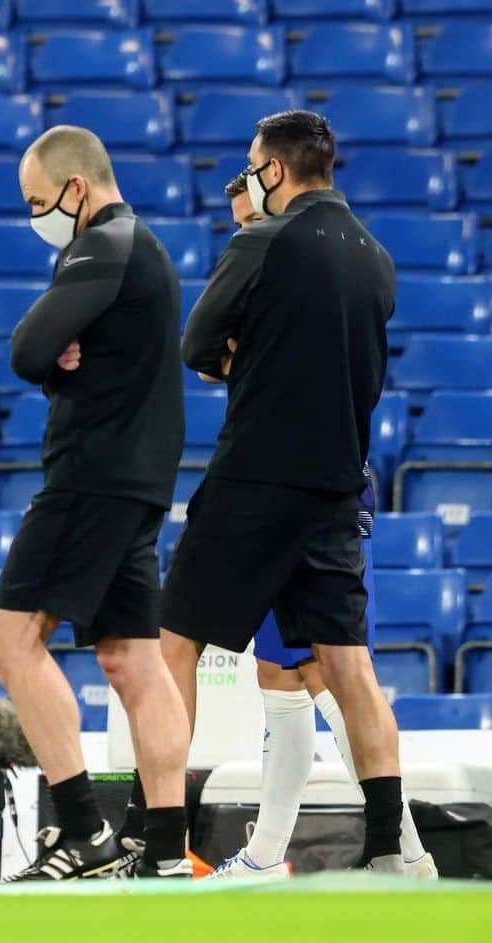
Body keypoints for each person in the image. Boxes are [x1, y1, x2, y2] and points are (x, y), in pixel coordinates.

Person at [160, 110, 408, 873]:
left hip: (254, 481)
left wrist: (255, 364)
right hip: (337, 486)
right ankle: (389, 851)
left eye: (250, 165)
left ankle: (160, 842)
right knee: (349, 666)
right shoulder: (377, 258)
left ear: (273, 170)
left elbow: (199, 346)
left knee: (174, 644)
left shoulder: (260, 240)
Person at [199, 172, 436, 880]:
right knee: (289, 670)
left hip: (311, 490)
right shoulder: (296, 260)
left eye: (249, 208)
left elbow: (234, 360)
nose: (244, 225)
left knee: (332, 669)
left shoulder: (297, 263)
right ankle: (278, 854)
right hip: (301, 483)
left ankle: (402, 850)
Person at [0, 125, 192, 882]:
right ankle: (166, 848)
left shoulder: (103, 243)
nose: (38, 217)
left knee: (9, 640)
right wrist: (62, 350)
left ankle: (82, 830)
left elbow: (30, 347)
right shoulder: (147, 249)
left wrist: (53, 354)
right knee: (133, 660)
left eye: (39, 201)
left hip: (92, 478)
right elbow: (53, 348)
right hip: (139, 484)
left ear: (77, 187)